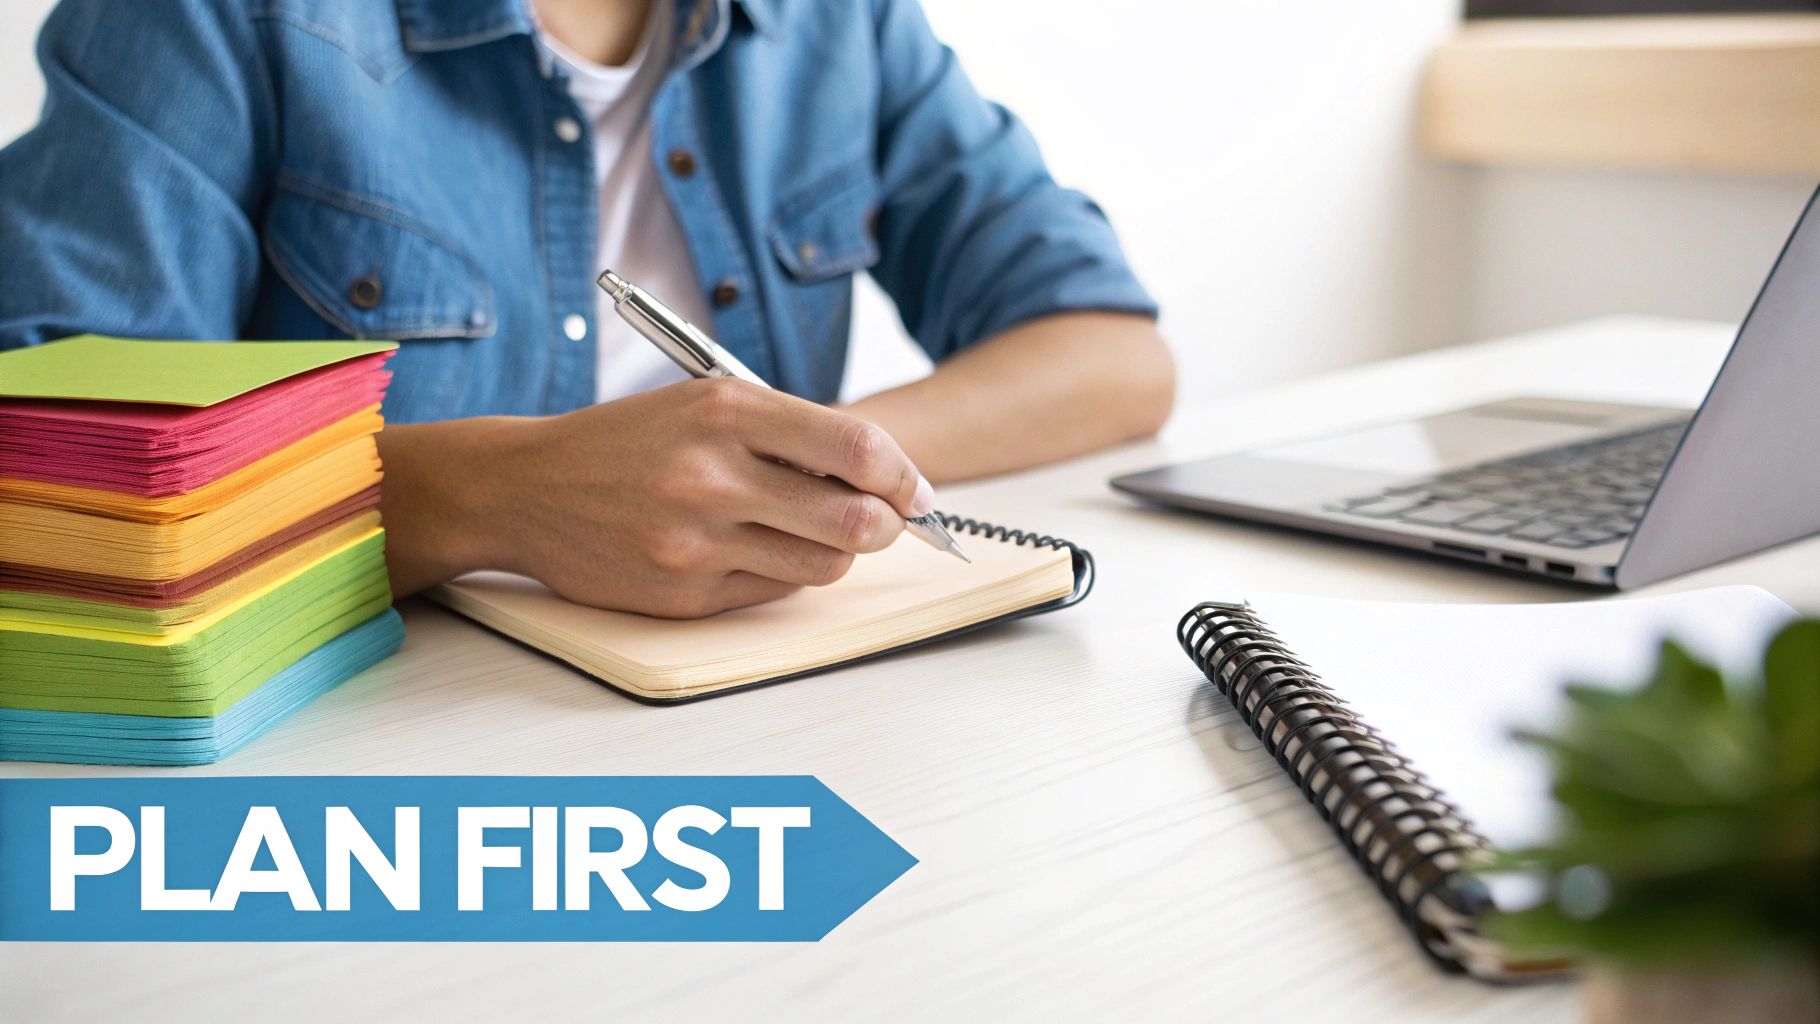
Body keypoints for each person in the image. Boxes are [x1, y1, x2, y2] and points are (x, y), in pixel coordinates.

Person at [0, 0, 1173, 618]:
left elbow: (1110, 355)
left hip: (766, 725)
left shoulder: (837, 21)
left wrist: (816, 462)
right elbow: (51, 479)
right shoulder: (209, 16)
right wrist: (488, 498)